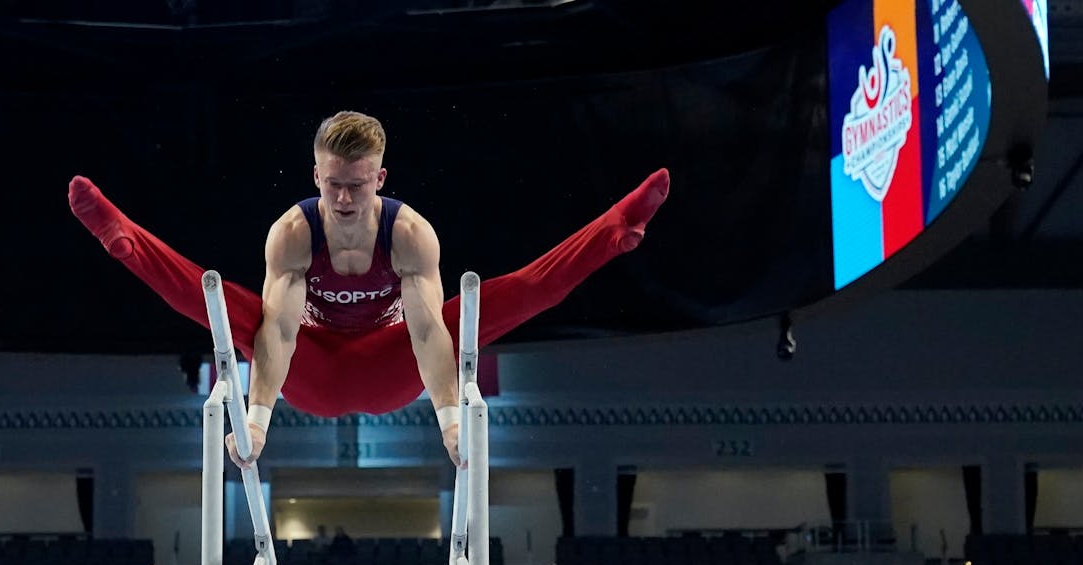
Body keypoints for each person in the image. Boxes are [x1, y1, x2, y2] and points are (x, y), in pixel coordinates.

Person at [69, 110, 668, 468]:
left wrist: (451, 419)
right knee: (223, 305)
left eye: (357, 185)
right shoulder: (292, 234)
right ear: (315, 176)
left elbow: (430, 331)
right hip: (311, 367)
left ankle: (614, 229)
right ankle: (123, 238)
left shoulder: (409, 234)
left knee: (495, 300)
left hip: (392, 366)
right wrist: (256, 419)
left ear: (380, 177)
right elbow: (278, 330)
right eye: (332, 185)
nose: (345, 199)